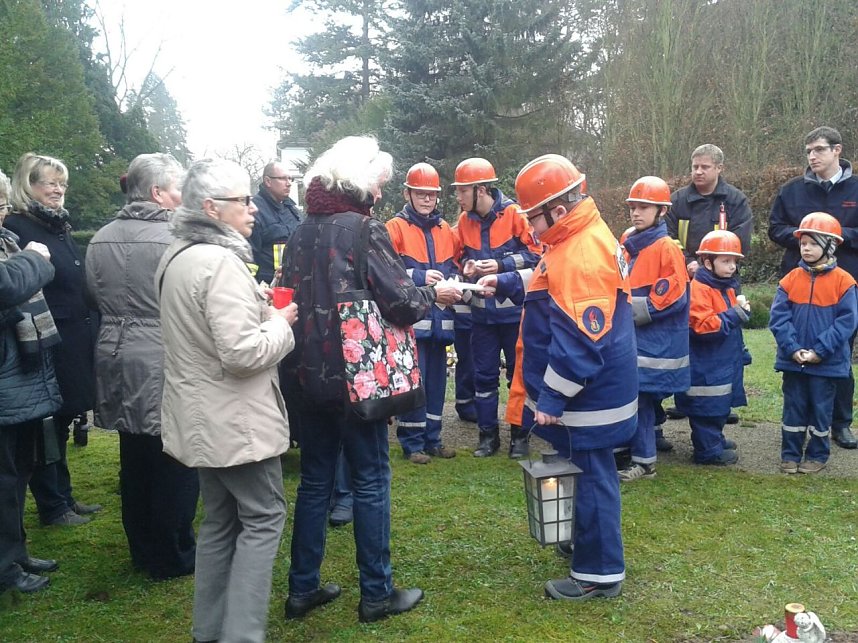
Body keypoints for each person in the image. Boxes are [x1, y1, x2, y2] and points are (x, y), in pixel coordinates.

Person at [280, 136, 459, 623]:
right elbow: (400, 301)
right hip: (358, 381)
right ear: (358, 182)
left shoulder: (300, 232)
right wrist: (433, 292)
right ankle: (377, 594)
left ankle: (302, 589)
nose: (381, 193)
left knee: (315, 481)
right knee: (371, 480)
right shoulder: (364, 229)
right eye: (378, 183)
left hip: (306, 375)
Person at [479, 154, 636, 601]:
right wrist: (509, 281)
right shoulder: (577, 236)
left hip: (589, 398)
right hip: (596, 393)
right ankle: (585, 547)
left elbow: (580, 345)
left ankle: (598, 574)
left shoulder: (581, 250)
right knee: (585, 474)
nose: (529, 228)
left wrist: (550, 400)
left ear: (558, 212)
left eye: (534, 217)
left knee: (589, 477)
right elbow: (552, 275)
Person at [156, 159, 297, 643]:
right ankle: (241, 634)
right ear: (212, 208)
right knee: (263, 518)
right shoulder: (218, 262)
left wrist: (254, 303)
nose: (253, 208)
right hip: (236, 423)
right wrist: (280, 322)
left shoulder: (179, 254)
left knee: (220, 522)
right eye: (243, 200)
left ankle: (209, 630)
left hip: (201, 416)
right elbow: (242, 353)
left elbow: (202, 330)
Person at [85, 153, 199, 579]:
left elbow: (93, 297)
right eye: (178, 188)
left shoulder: (100, 238)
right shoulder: (176, 238)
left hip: (116, 354)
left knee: (133, 455)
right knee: (176, 457)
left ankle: (143, 548)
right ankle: (174, 554)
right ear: (157, 193)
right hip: (164, 354)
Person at [6, 153, 101, 527]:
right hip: (46, 339)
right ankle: (53, 504)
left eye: (61, 182)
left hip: (72, 335)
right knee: (47, 422)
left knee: (62, 418)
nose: (58, 189)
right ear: (27, 185)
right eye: (49, 182)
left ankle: (64, 495)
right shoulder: (19, 227)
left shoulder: (55, 224)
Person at [769, 126, 858, 450]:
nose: (812, 156)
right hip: (798, 284)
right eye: (808, 151)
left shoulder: (856, 188)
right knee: (794, 354)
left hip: (845, 283)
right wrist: (805, 235)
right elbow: (774, 228)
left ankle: (840, 423)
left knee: (838, 354)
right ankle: (798, 422)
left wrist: (836, 237)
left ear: (837, 150)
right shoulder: (792, 190)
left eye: (819, 149)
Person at [452, 157, 541, 458]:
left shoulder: (515, 214)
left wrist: (501, 265)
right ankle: (487, 436)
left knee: (519, 375)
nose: (458, 197)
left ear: (481, 190)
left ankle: (520, 436)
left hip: (515, 314)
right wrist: (468, 266)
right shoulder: (464, 222)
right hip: (482, 316)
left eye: (462, 191)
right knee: (484, 376)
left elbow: (536, 256)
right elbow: (459, 257)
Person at [0, 169, 63, 594]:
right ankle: (6, 569)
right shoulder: (17, 247)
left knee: (18, 469)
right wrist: (37, 258)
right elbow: (7, 286)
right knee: (2, 476)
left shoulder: (6, 241)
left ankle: (16, 551)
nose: (2, 213)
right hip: (5, 377)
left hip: (15, 375)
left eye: (3, 204)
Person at [665, 144, 752, 426]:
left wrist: (711, 264)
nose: (698, 172)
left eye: (705, 167)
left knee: (723, 344)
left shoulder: (735, 201)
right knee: (685, 342)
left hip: (723, 285)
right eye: (695, 166)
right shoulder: (678, 201)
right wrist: (688, 262)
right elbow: (667, 240)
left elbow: (741, 241)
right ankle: (684, 400)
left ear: (719, 168)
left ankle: (721, 402)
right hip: (684, 282)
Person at [769, 213, 858, 474]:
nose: (806, 248)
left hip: (826, 363)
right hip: (793, 361)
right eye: (803, 243)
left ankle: (817, 456)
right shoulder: (790, 280)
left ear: (830, 246)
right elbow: (779, 319)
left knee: (821, 411)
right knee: (793, 409)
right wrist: (793, 349)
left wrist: (820, 350)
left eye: (813, 243)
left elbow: (846, 323)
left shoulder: (845, 282)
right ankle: (790, 454)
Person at [617, 177, 690, 481]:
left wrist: (623, 311)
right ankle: (630, 453)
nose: (636, 212)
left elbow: (672, 297)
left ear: (661, 211)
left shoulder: (666, 248)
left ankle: (644, 463)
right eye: (633, 207)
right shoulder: (629, 244)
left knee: (642, 400)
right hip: (636, 339)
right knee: (633, 398)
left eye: (643, 207)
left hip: (654, 343)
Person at [386, 162, 459, 463]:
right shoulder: (395, 227)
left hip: (440, 320)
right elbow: (386, 270)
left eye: (431, 194)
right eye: (421, 194)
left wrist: (457, 280)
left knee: (437, 383)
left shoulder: (446, 231)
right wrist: (418, 276)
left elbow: (452, 266)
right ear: (407, 193)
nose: (427, 199)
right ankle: (412, 444)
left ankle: (433, 439)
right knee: (414, 383)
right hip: (412, 322)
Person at [674, 230, 749, 465]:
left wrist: (741, 351)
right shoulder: (700, 289)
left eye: (734, 261)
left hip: (720, 361)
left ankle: (714, 439)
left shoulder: (724, 286)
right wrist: (735, 314)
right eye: (725, 261)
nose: (731, 267)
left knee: (718, 406)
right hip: (705, 365)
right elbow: (704, 327)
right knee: (707, 408)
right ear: (708, 262)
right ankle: (708, 450)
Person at [249, 160, 303, 285]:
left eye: (290, 179)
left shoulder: (292, 209)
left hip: (293, 284)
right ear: (268, 181)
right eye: (283, 179)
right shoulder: (255, 211)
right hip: (268, 287)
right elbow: (250, 257)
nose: (289, 183)